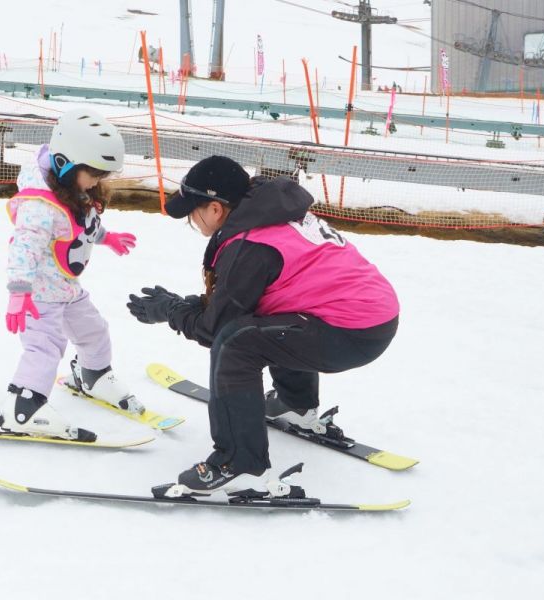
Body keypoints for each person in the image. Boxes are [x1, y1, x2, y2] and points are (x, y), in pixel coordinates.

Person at [126, 156, 400, 495]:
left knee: (235, 344)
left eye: (192, 214)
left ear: (214, 208)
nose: (192, 223)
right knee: (261, 323)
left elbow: (216, 329)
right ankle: (296, 405)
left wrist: (170, 310)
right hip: (370, 317)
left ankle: (241, 463)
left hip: (351, 331)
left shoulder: (252, 244)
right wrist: (182, 306)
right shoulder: (271, 212)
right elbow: (241, 302)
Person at [0, 108, 141, 441]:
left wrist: (107, 238)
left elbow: (79, 228)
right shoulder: (40, 206)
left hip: (67, 289)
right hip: (39, 296)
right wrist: (19, 292)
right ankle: (23, 404)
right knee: (44, 348)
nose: (98, 181)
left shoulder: (73, 190)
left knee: (95, 331)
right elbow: (23, 248)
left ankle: (93, 374)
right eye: (94, 173)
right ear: (66, 163)